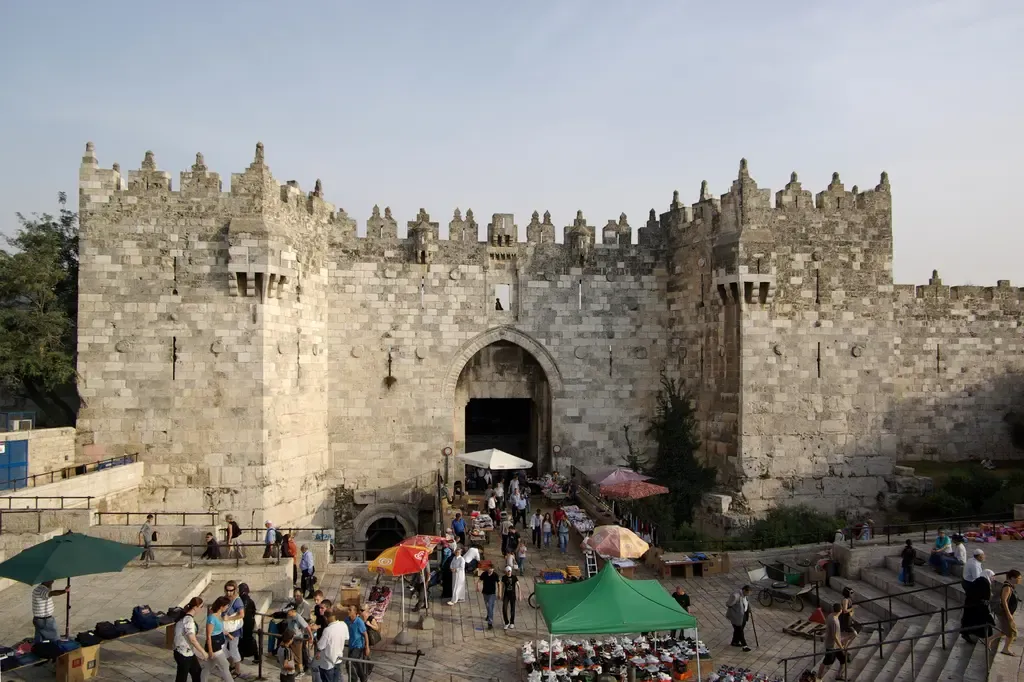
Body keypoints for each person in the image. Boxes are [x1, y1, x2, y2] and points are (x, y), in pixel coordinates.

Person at [172, 597, 207, 682]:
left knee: (197, 672)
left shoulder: (184, 616)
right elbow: (192, 639)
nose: (202, 609)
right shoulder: (188, 620)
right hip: (183, 653)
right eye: (201, 607)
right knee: (182, 678)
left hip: (186, 652)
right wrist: (203, 652)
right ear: (195, 607)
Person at [961, 568, 996, 645]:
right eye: (992, 576)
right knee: (983, 621)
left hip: (971, 604)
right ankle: (985, 637)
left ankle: (966, 633)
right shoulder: (984, 583)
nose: (993, 578)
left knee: (970, 620)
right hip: (977, 606)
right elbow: (986, 596)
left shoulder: (978, 580)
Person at [313, 606, 348, 682]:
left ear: (326, 618)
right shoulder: (343, 625)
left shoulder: (327, 630)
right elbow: (346, 637)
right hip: (338, 660)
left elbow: (320, 646)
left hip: (327, 664)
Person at [204, 596, 234, 682]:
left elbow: (220, 628)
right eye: (226, 605)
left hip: (219, 643)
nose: (227, 607)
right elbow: (208, 635)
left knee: (208, 667)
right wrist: (210, 651)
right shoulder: (211, 618)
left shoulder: (219, 615)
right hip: (214, 645)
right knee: (225, 665)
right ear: (221, 606)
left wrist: (228, 634)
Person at [816, 603, 848, 680]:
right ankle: (818, 677)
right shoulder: (834, 621)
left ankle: (839, 675)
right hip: (831, 645)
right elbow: (834, 636)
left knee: (843, 659)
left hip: (835, 645)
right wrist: (841, 647)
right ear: (840, 610)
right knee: (827, 661)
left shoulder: (831, 615)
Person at [995, 569, 1021, 656]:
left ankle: (989, 640)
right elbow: (1004, 601)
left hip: (1009, 613)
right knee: (1012, 632)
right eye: (1018, 578)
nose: (1020, 580)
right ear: (1012, 578)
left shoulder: (1010, 586)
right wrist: (1009, 614)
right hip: (1006, 613)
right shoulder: (1007, 587)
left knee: (1006, 631)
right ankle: (1005, 649)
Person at [222, 581, 245, 676]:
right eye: (227, 590)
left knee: (233, 649)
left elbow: (242, 614)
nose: (229, 593)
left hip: (234, 629)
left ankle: (237, 670)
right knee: (222, 648)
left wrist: (229, 618)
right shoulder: (225, 598)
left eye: (231, 590)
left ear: (235, 590)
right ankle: (231, 663)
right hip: (225, 628)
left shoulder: (237, 601)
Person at [345, 604, 371, 682]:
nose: (348, 611)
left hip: (358, 646)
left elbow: (365, 634)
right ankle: (363, 677)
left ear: (355, 612)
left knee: (349, 662)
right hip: (351, 645)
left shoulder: (359, 622)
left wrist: (367, 647)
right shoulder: (347, 620)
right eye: (348, 609)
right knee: (356, 661)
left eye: (350, 610)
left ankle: (354, 679)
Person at [237, 583, 259, 665]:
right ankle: (254, 656)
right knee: (247, 639)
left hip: (245, 622)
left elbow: (242, 611)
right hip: (248, 621)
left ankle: (248, 655)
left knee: (245, 639)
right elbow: (253, 611)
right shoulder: (249, 600)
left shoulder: (243, 599)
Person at [725, 585, 752, 652]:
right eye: (748, 593)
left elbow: (746, 602)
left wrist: (748, 608)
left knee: (738, 630)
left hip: (744, 615)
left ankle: (734, 642)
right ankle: (745, 646)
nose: (748, 594)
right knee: (740, 631)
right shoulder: (735, 596)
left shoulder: (745, 595)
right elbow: (729, 604)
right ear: (744, 590)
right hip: (736, 616)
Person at [500, 566, 521, 630]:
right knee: (504, 608)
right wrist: (501, 594)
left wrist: (519, 595)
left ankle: (512, 622)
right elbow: (502, 586)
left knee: (512, 609)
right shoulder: (504, 577)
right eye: (508, 571)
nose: (509, 572)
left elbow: (518, 586)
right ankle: (506, 622)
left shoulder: (514, 577)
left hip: (512, 595)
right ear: (506, 572)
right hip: (506, 595)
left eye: (510, 571)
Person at [479, 564, 500, 629]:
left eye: (491, 569)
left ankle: (490, 623)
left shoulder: (495, 575)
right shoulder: (484, 574)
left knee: (490, 607)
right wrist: (477, 586)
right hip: (485, 592)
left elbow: (499, 583)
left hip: (492, 594)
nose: (490, 570)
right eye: (489, 568)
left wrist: (499, 593)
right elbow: (479, 580)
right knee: (487, 605)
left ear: (493, 569)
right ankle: (488, 614)